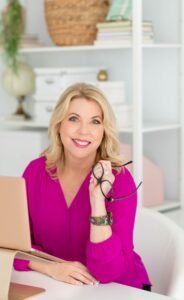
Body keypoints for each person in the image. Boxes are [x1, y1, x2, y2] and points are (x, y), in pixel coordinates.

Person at [14, 82, 151, 290]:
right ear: (59, 125)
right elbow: (15, 246)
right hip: (56, 285)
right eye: (73, 119)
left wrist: (97, 202)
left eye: (95, 121)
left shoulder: (119, 180)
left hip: (118, 289)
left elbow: (107, 271)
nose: (84, 131)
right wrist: (53, 268)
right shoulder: (35, 172)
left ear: (104, 131)